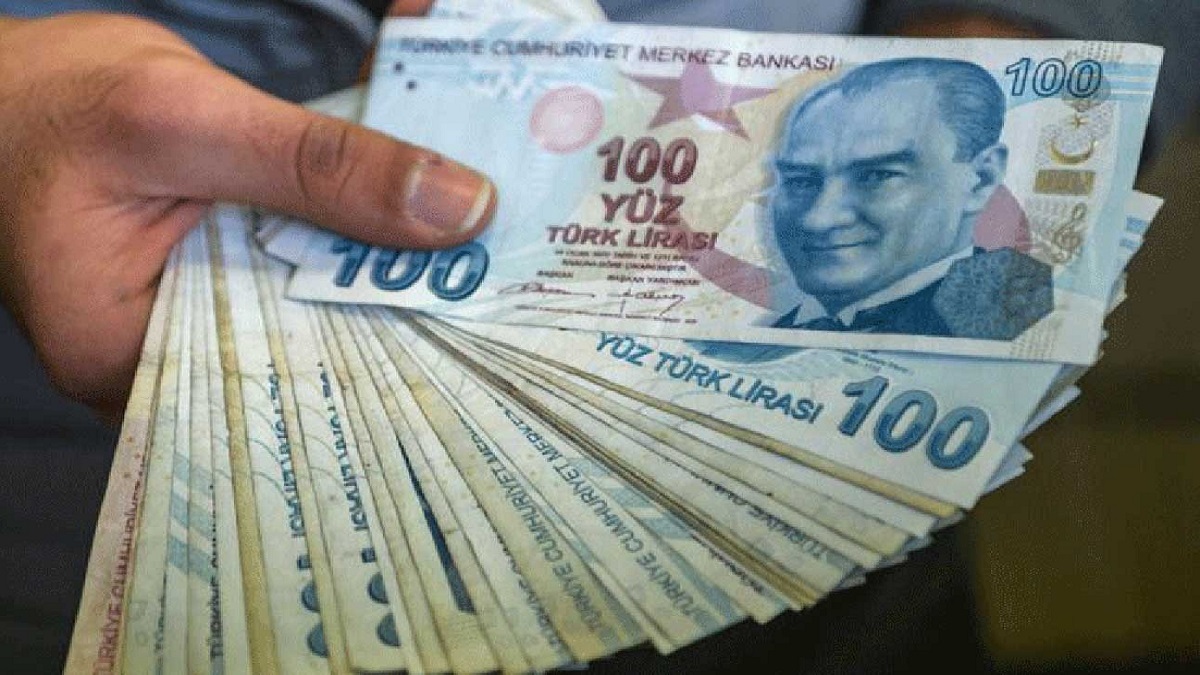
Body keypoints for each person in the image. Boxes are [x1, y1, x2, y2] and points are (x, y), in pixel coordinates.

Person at [768, 57, 1052, 339]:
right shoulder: (768, 331)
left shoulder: (1033, 321)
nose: (818, 219)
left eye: (877, 176)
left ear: (981, 179)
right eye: (800, 180)